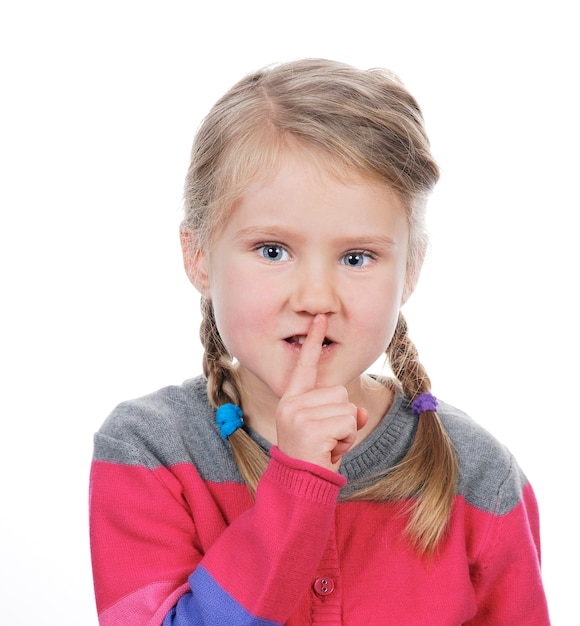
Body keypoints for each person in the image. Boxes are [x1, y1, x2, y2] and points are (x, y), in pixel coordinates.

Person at [89, 59, 550, 625]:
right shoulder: (150, 452)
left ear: (411, 270)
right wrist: (295, 484)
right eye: (273, 250)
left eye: (357, 257)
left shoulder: (478, 476)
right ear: (198, 254)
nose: (315, 296)